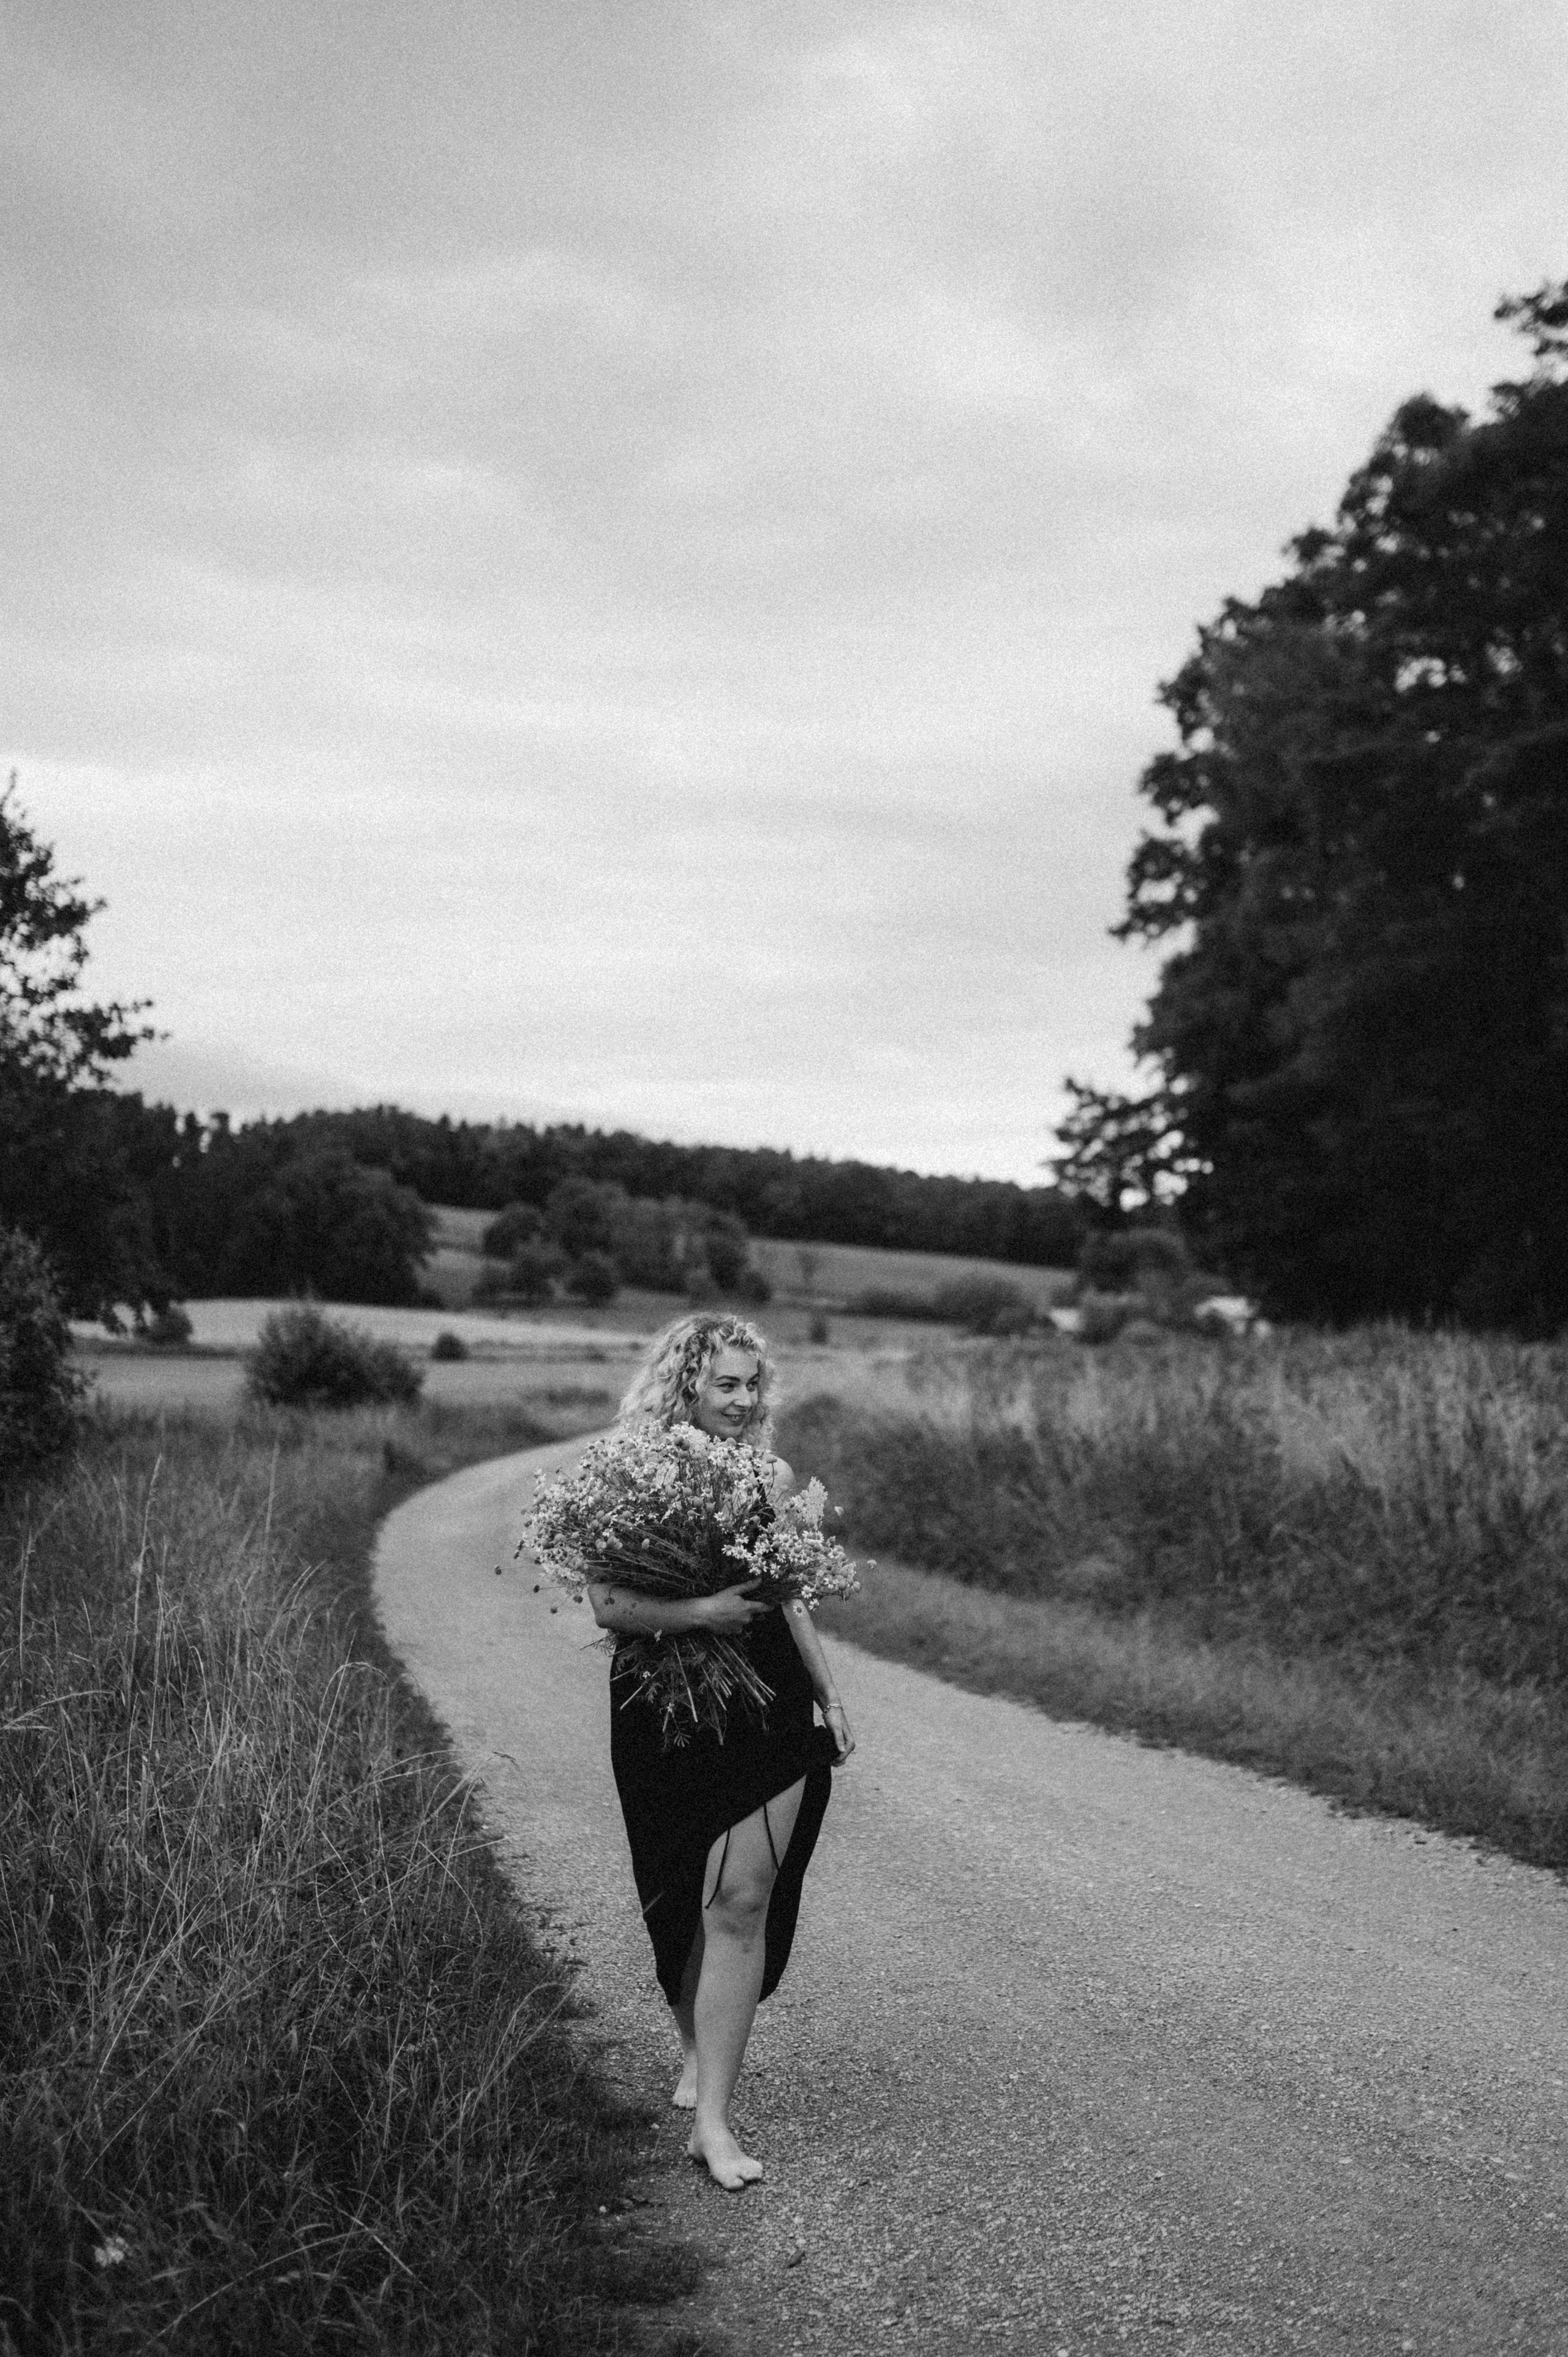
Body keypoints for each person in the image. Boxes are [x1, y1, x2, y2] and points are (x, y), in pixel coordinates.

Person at [586, 1311, 856, 2191]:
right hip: (662, 1708)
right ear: (685, 1386)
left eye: (751, 1384)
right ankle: (693, 2043)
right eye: (723, 1384)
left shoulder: (769, 1475)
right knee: (675, 1888)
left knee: (741, 1901)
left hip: (768, 1702)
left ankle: (714, 2124)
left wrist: (828, 1690)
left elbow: (789, 1598)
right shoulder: (628, 1472)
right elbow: (608, 1605)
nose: (741, 1401)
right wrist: (698, 1616)